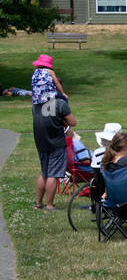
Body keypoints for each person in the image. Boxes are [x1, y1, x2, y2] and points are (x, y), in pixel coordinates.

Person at [32, 81, 76, 212]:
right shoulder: (60, 103)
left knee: (44, 172)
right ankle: (49, 206)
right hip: (56, 142)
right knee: (54, 174)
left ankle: (38, 204)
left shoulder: (36, 103)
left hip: (41, 141)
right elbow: (73, 122)